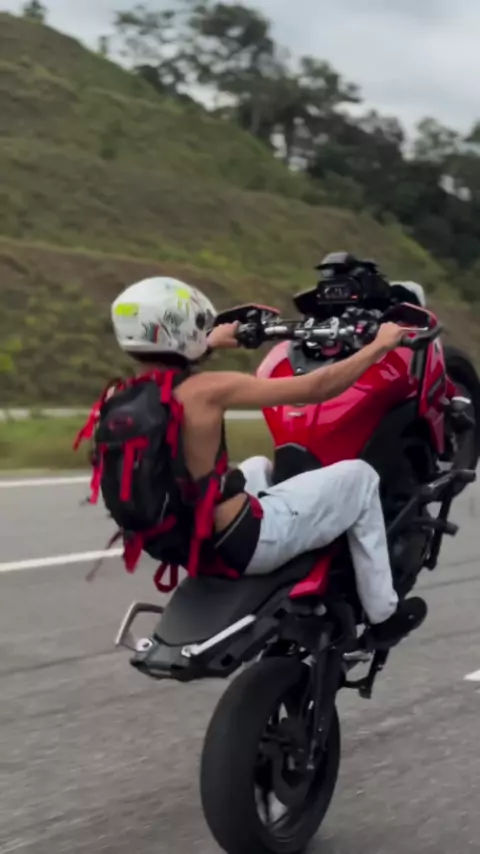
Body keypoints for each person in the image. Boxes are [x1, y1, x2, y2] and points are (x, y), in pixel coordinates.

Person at [110, 276, 427, 648]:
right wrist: (380, 345)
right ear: (179, 331)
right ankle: (384, 614)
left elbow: (170, 373)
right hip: (244, 542)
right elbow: (317, 387)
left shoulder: (121, 396)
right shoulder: (208, 391)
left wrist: (210, 342)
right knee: (360, 478)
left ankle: (317, 555)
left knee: (259, 466)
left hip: (187, 541)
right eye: (196, 324)